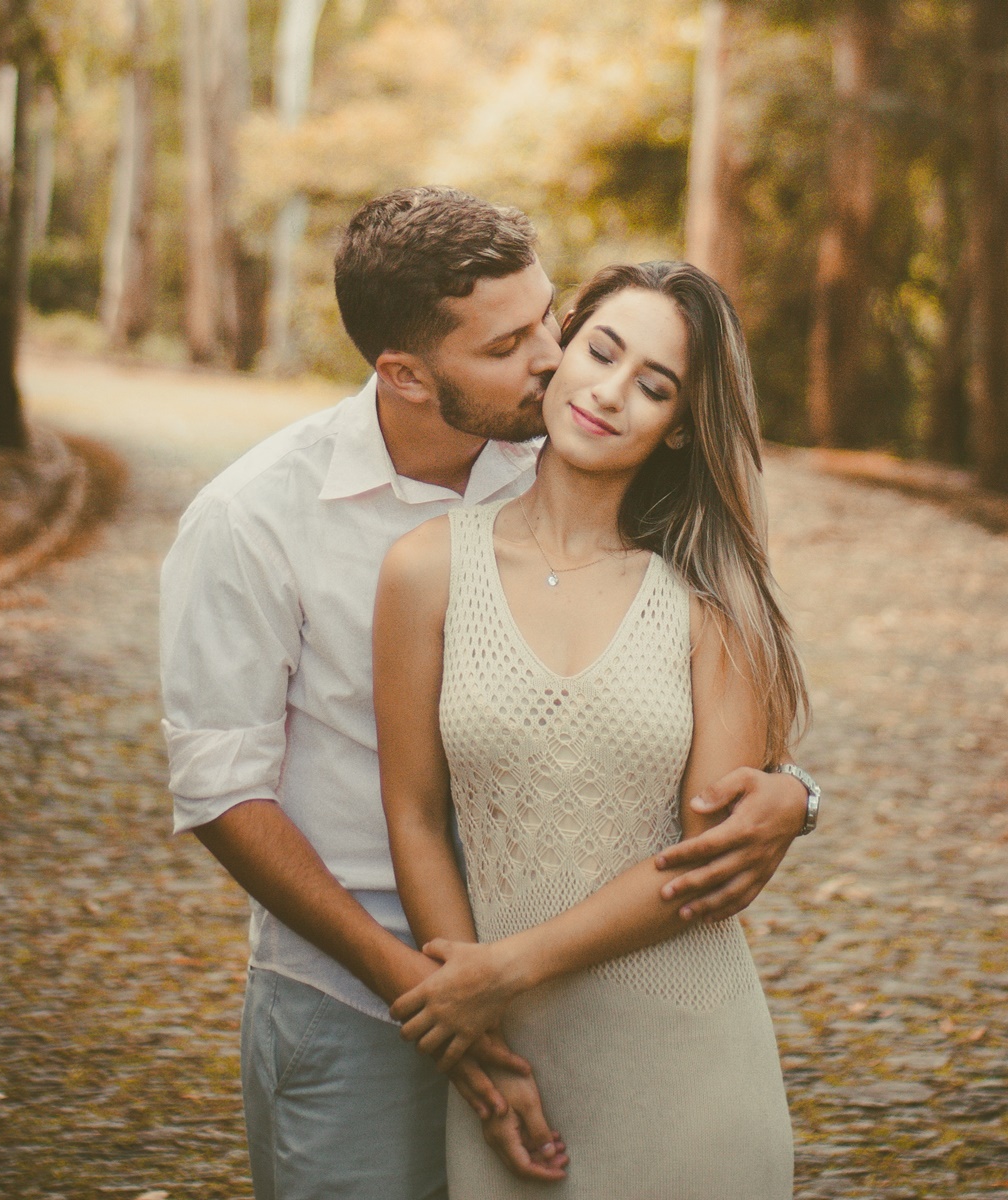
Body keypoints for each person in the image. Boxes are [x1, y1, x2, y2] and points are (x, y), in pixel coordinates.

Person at [160, 189, 817, 1200]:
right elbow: (220, 792)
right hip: (355, 990)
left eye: (552, 318)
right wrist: (433, 993)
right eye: (512, 343)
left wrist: (796, 796)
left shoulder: (558, 445)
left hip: (572, 986)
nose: (554, 359)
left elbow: (684, 658)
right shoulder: (251, 520)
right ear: (406, 375)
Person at [374, 261, 811, 1197]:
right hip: (505, 1056)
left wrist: (502, 971)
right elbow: (413, 814)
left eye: (655, 386)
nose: (612, 393)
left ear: (683, 426)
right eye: (601, 352)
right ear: (561, 351)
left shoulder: (709, 601)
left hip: (688, 1069)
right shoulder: (425, 570)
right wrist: (474, 1037)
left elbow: (706, 867)